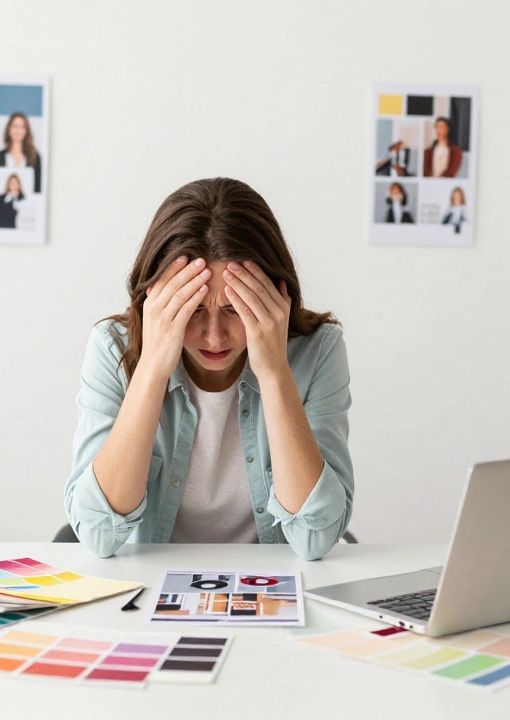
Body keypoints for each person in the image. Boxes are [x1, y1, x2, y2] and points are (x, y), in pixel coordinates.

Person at [65, 177, 353, 560]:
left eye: (235, 309)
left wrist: (274, 372)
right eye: (193, 309)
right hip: (149, 593)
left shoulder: (318, 350)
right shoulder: (112, 347)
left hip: (272, 591)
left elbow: (316, 539)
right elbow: (99, 535)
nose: (214, 337)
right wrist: (151, 368)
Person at [0, 112, 42, 193]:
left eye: (22, 127)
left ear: (26, 131)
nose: (18, 130)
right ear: (9, 129)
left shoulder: (35, 156)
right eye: (15, 126)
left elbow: (37, 188)